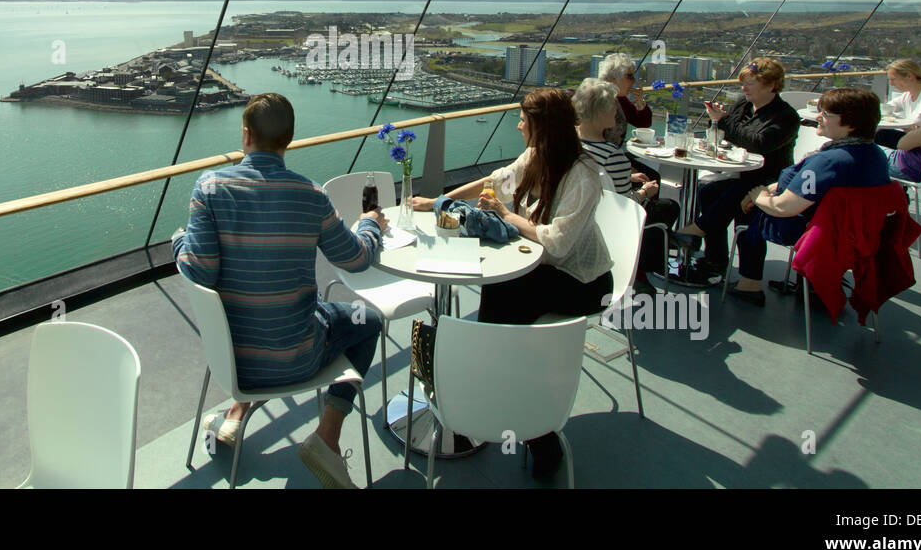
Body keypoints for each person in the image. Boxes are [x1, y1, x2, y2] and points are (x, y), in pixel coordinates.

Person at [172, 93, 387, 489]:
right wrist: (372, 225)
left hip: (232, 362)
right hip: (296, 361)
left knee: (262, 305)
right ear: (288, 139)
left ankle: (237, 410)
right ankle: (328, 435)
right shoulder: (311, 196)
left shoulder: (209, 189)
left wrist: (178, 241)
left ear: (245, 135)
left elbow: (198, 272)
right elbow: (356, 260)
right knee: (369, 321)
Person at [409, 86, 610, 479]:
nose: (518, 126)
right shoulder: (537, 156)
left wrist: (504, 213)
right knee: (500, 299)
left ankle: (482, 394)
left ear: (543, 128)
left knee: (504, 303)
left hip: (583, 280)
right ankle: (508, 406)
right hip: (544, 269)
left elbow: (558, 241)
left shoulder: (582, 175)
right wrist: (438, 201)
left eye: (524, 120)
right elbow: (495, 180)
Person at [726, 88, 892, 306]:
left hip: (813, 232)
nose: (818, 117)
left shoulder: (829, 162)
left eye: (826, 114)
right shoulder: (873, 154)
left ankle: (749, 281)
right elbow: (814, 187)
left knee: (737, 201)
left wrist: (758, 196)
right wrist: (772, 188)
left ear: (850, 123)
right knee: (731, 193)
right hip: (855, 232)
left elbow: (784, 208)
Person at [672, 57, 800, 286]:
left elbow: (759, 143)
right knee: (710, 191)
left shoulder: (786, 117)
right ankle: (715, 259)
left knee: (745, 202)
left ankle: (747, 278)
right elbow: (734, 132)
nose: (744, 88)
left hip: (769, 179)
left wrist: (724, 121)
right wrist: (720, 122)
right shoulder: (744, 105)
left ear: (771, 85)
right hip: (744, 174)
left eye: (750, 84)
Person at [573, 78, 679, 290]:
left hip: (577, 225)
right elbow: (621, 208)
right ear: (601, 113)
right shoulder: (615, 158)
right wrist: (644, 193)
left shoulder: (568, 147)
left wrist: (626, 177)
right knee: (669, 207)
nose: (617, 112)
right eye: (613, 107)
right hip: (605, 227)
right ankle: (642, 268)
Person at [876, 59, 921, 148]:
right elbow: (886, 108)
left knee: (880, 136)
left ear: (909, 76)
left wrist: (920, 130)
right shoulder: (907, 96)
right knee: (878, 135)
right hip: (914, 140)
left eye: (893, 79)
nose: (891, 84)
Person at [598, 53, 652, 146]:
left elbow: (643, 124)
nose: (634, 81)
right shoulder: (595, 99)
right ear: (613, 79)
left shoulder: (620, 99)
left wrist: (640, 103)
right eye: (629, 77)